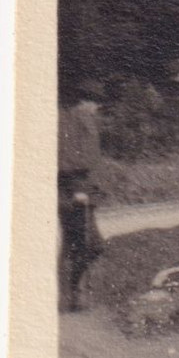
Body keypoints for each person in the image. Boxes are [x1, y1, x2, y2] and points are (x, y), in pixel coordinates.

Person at [57, 81, 107, 311]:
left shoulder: (78, 119)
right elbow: (70, 160)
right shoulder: (75, 120)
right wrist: (79, 190)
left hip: (83, 193)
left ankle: (73, 296)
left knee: (82, 244)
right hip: (77, 193)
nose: (97, 108)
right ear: (86, 101)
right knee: (86, 244)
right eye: (96, 103)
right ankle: (73, 296)